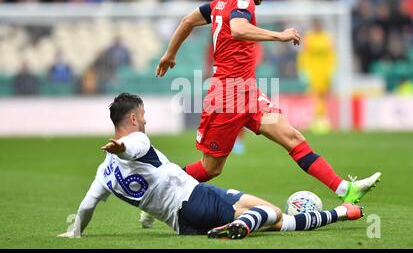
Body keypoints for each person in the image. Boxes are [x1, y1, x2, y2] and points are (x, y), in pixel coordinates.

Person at [155, 0, 380, 206]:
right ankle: (161, 188)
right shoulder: (243, 1)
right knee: (210, 169)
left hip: (248, 94)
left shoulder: (221, 2)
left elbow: (188, 20)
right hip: (226, 98)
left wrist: (170, 54)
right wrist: (279, 35)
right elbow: (239, 29)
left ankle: (344, 189)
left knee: (292, 137)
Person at [57, 93, 364, 240]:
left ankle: (341, 212)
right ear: (134, 120)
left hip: (186, 213)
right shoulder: (137, 141)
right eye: (144, 115)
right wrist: (121, 147)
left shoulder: (102, 174)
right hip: (193, 201)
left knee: (275, 216)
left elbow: (86, 206)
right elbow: (133, 147)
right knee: (273, 216)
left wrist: (75, 233)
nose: (146, 119)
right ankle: (242, 226)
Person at [297, 18, 336, 134]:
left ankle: (322, 119)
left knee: (324, 96)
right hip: (313, 72)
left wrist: (333, 70)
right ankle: (315, 120)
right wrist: (303, 70)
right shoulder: (309, 38)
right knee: (314, 96)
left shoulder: (327, 38)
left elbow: (332, 55)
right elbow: (304, 55)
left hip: (325, 72)